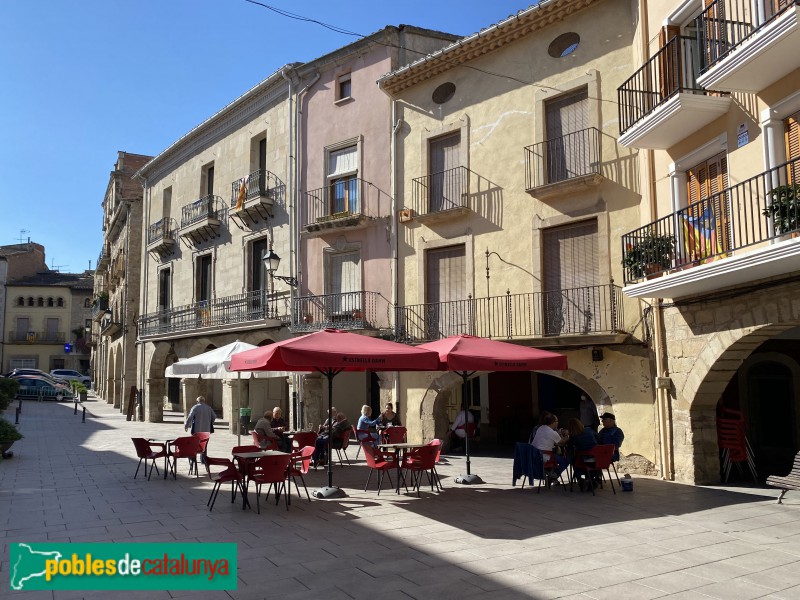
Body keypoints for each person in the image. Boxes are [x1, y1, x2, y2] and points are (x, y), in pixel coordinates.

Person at [530, 414, 569, 479]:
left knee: (555, 453)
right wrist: (567, 436)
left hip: (535, 455)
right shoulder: (552, 432)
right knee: (565, 461)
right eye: (557, 421)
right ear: (553, 422)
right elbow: (562, 443)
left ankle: (550, 472)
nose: (557, 423)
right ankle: (553, 476)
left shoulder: (541, 428)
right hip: (545, 457)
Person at [566, 417, 597, 490]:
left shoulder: (573, 437)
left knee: (574, 461)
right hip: (596, 459)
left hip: (583, 460)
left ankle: (579, 479)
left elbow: (569, 448)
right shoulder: (589, 430)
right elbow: (598, 438)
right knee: (581, 459)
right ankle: (590, 479)